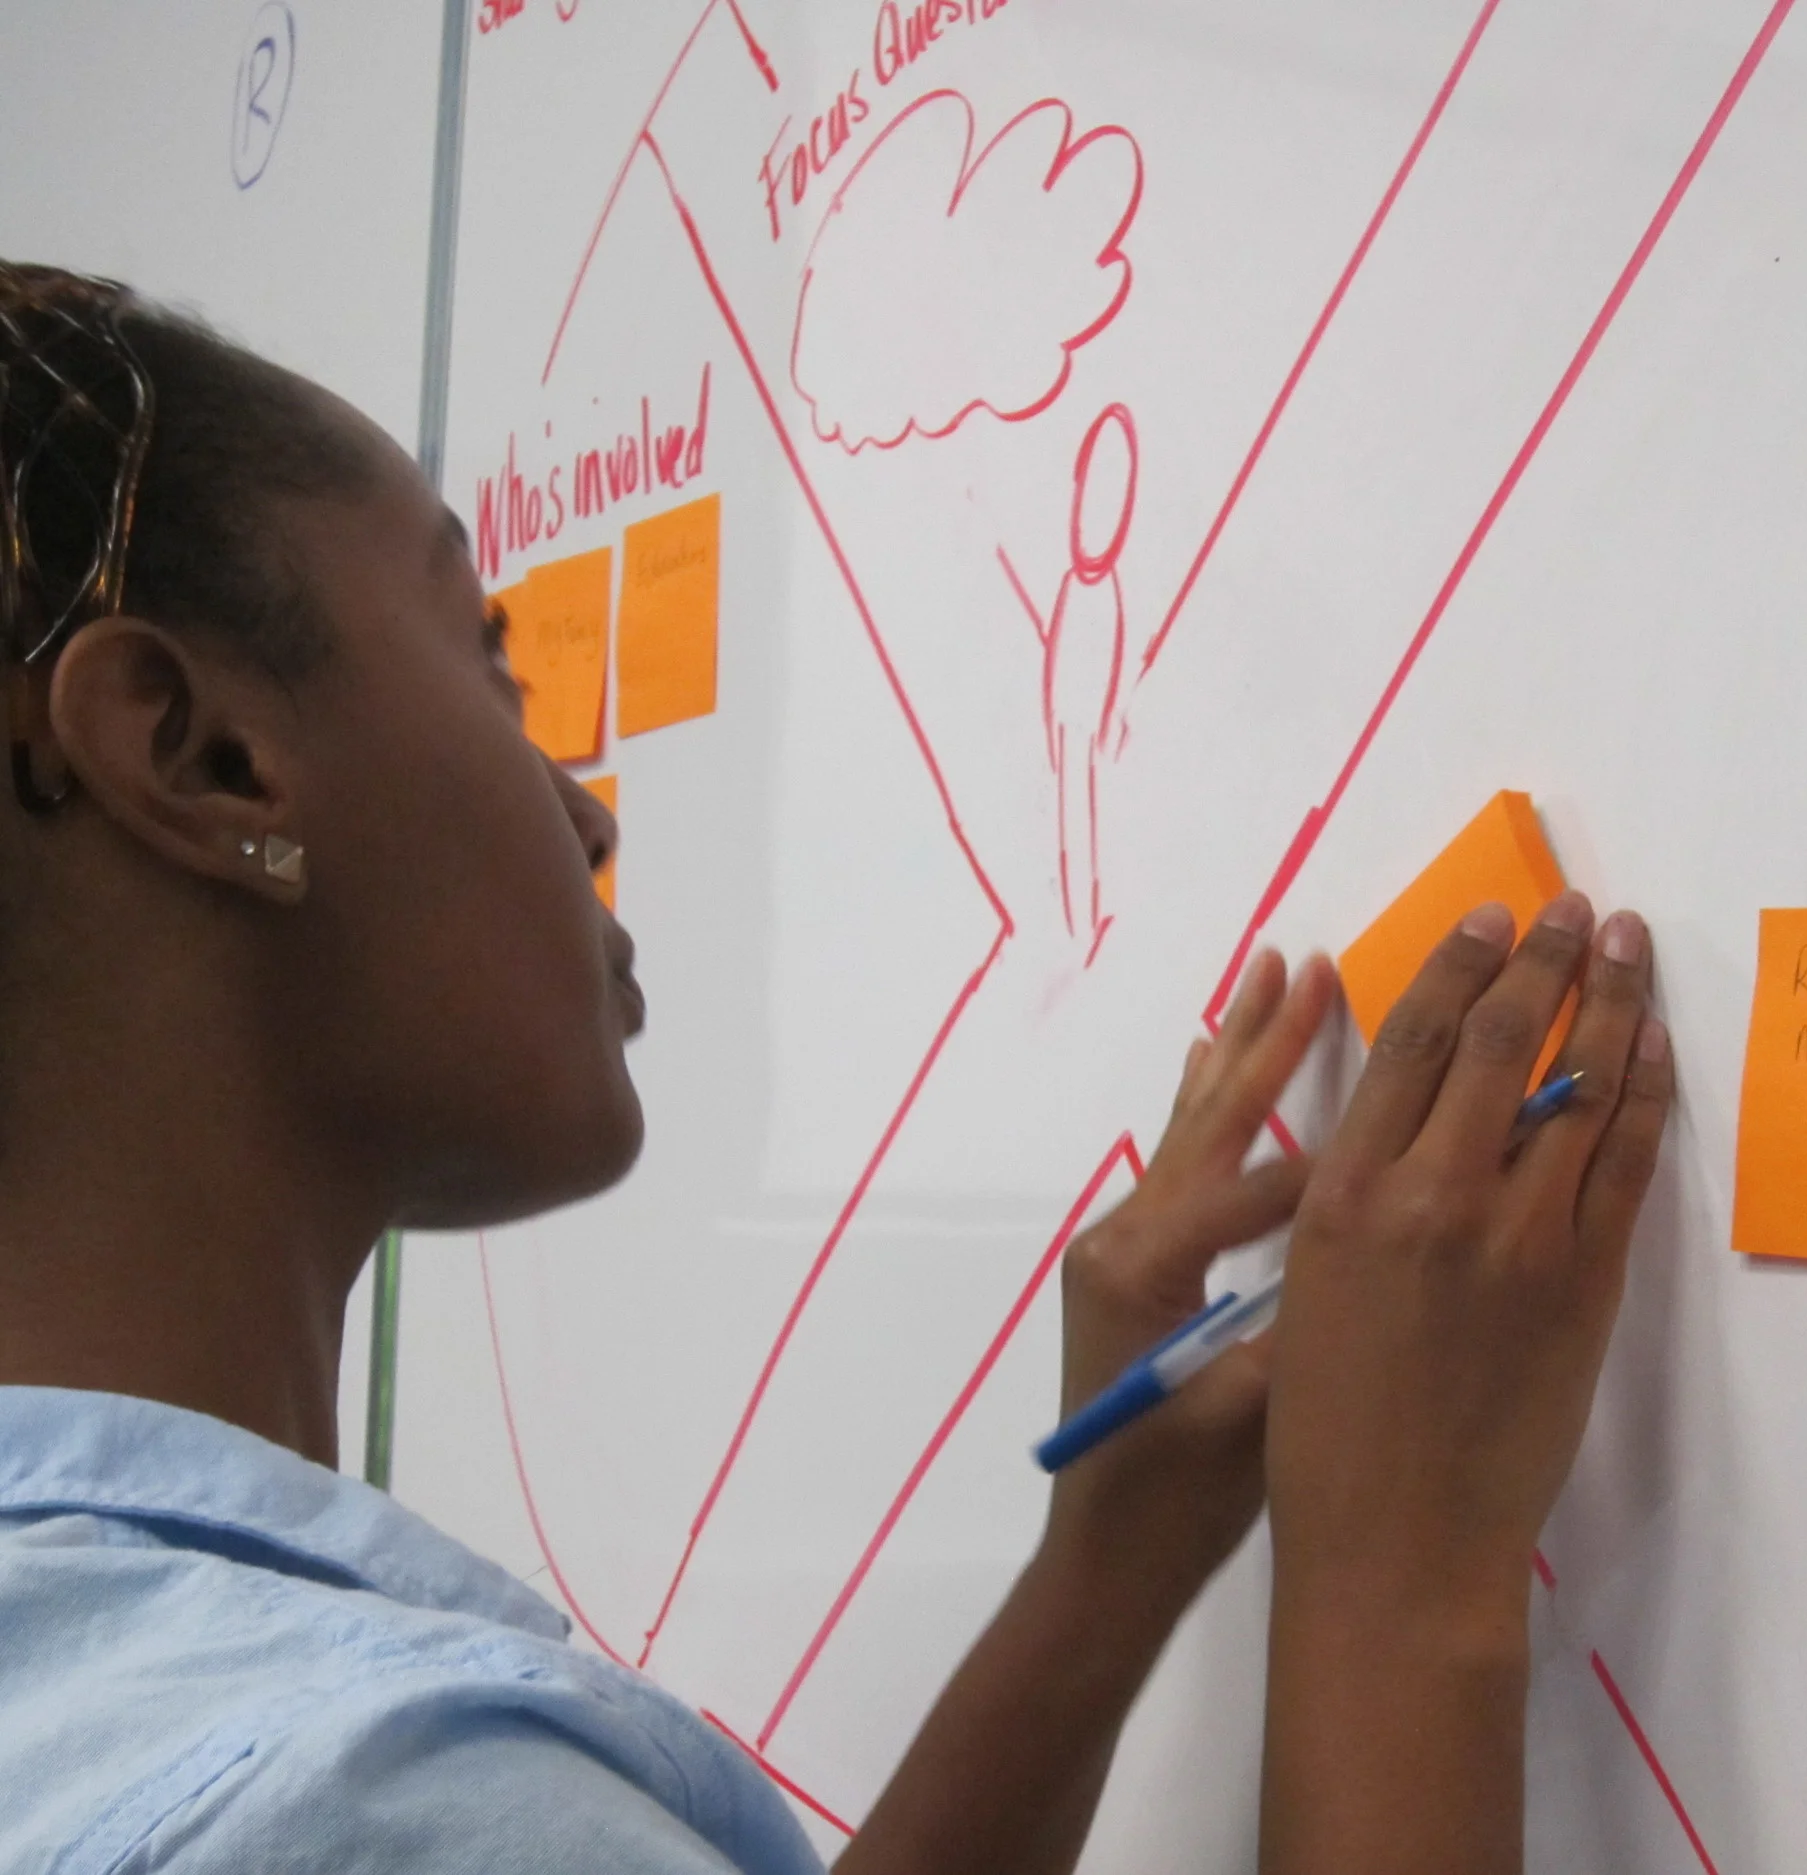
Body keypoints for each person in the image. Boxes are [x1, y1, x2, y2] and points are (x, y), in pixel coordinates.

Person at [0, 263, 1673, 1875]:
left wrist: (1103, 1568)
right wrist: (1403, 1578)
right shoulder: (356, 1803)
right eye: (491, 662)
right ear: (204, 756)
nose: (583, 810)